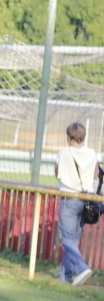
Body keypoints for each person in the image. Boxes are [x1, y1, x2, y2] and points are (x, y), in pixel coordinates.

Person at [54, 122, 100, 286]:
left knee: (66, 240)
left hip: (69, 199)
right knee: (73, 240)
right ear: (83, 137)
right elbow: (96, 174)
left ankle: (81, 268)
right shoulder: (92, 153)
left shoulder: (63, 154)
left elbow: (57, 172)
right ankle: (64, 276)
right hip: (87, 199)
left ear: (68, 137)